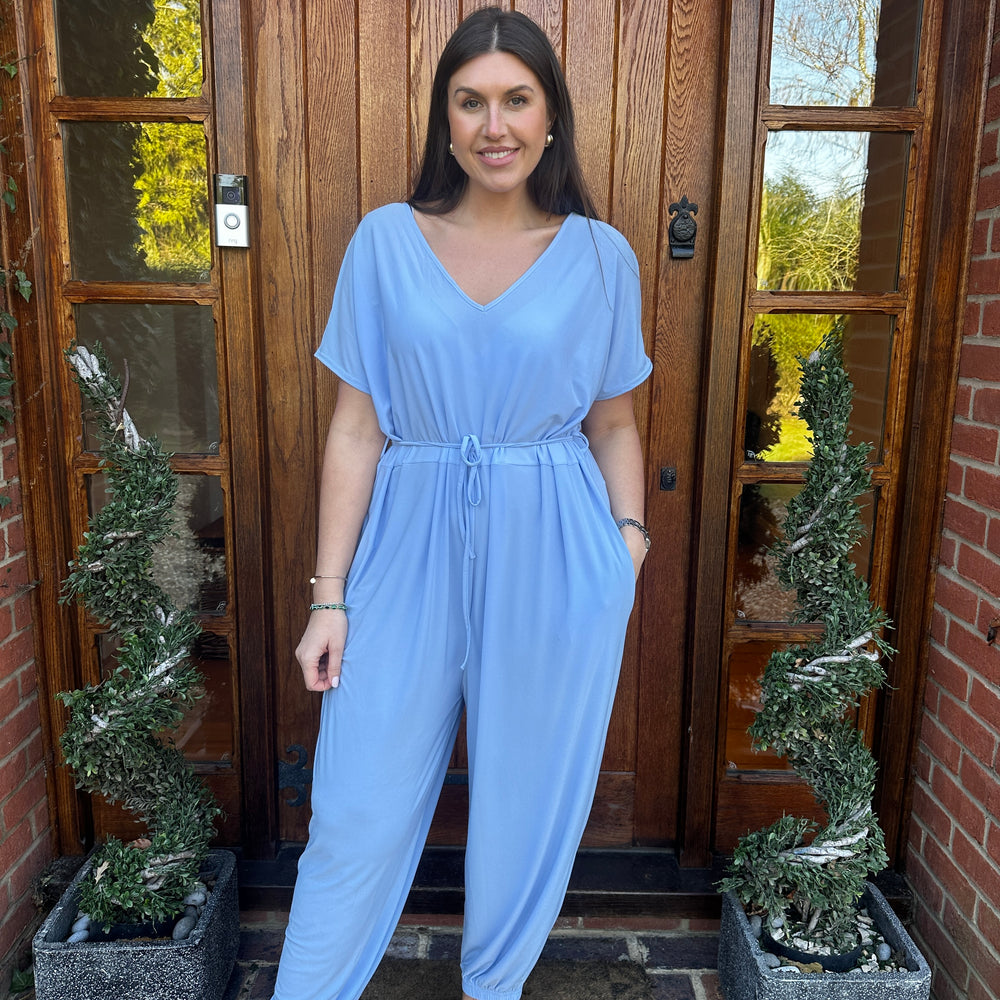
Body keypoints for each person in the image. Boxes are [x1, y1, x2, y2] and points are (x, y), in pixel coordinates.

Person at [272, 8, 652, 1000]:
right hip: (408, 539)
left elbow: (614, 423)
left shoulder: (602, 257)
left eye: (516, 99)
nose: (495, 125)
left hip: (555, 547)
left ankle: (494, 987)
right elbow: (356, 429)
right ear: (444, 121)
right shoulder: (384, 242)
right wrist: (328, 597)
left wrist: (626, 542)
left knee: (525, 809)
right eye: (470, 101)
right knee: (355, 803)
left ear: (550, 116)